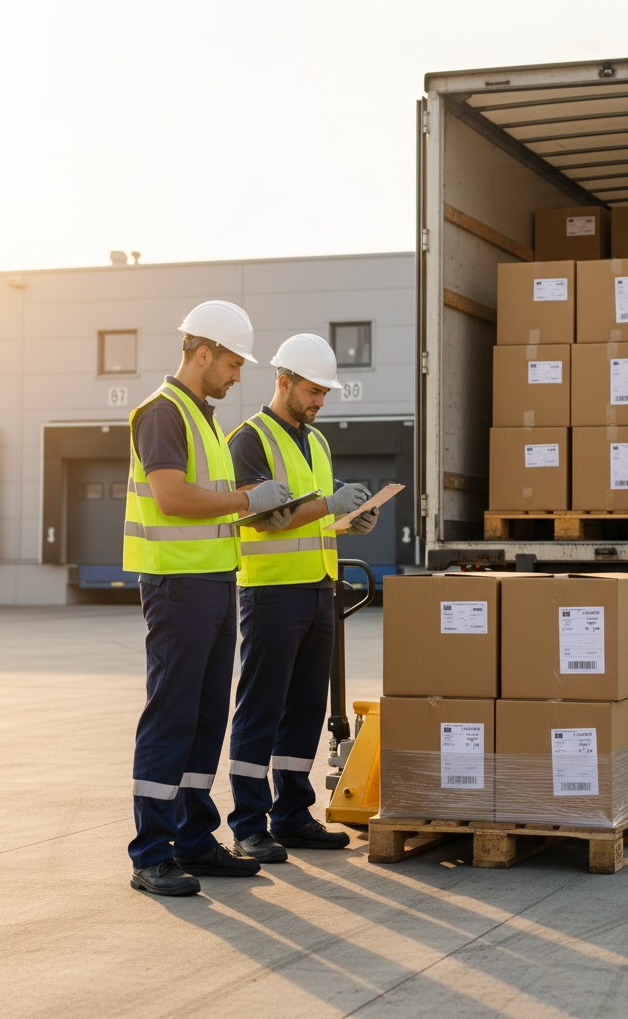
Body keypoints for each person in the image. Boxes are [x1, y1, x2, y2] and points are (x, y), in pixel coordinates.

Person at [124, 300, 294, 897]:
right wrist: (249, 501)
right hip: (178, 585)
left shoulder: (204, 420)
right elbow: (172, 498)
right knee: (171, 716)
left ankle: (193, 839)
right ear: (203, 354)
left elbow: (215, 503)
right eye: (231, 362)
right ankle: (150, 853)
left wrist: (261, 507)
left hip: (216, 580)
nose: (237, 374)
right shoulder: (162, 413)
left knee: (203, 720)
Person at [225, 332, 379, 863]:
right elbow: (265, 519)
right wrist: (329, 505)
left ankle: (291, 814)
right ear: (283, 381)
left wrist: (349, 520)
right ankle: (248, 823)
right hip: (270, 592)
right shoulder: (249, 439)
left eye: (324, 394)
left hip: (318, 587)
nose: (319, 402)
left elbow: (317, 514)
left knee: (307, 708)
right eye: (312, 391)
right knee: (260, 709)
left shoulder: (317, 441)